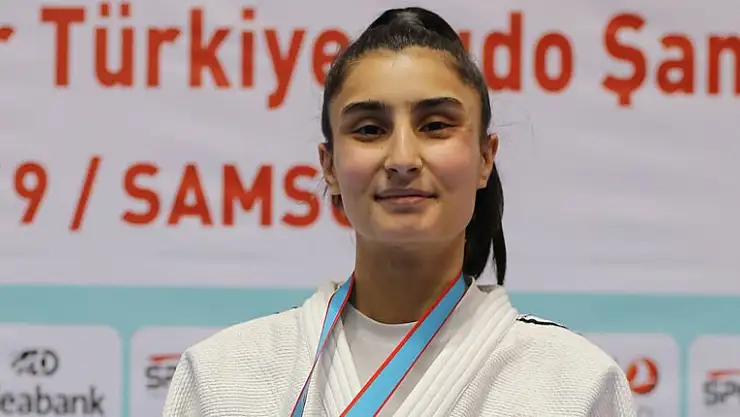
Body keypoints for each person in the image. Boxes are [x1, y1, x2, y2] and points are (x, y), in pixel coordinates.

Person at [162, 7, 637, 417]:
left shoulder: (573, 384)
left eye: (436, 125)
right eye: (369, 129)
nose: (403, 159)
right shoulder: (224, 377)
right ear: (329, 166)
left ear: (485, 158)